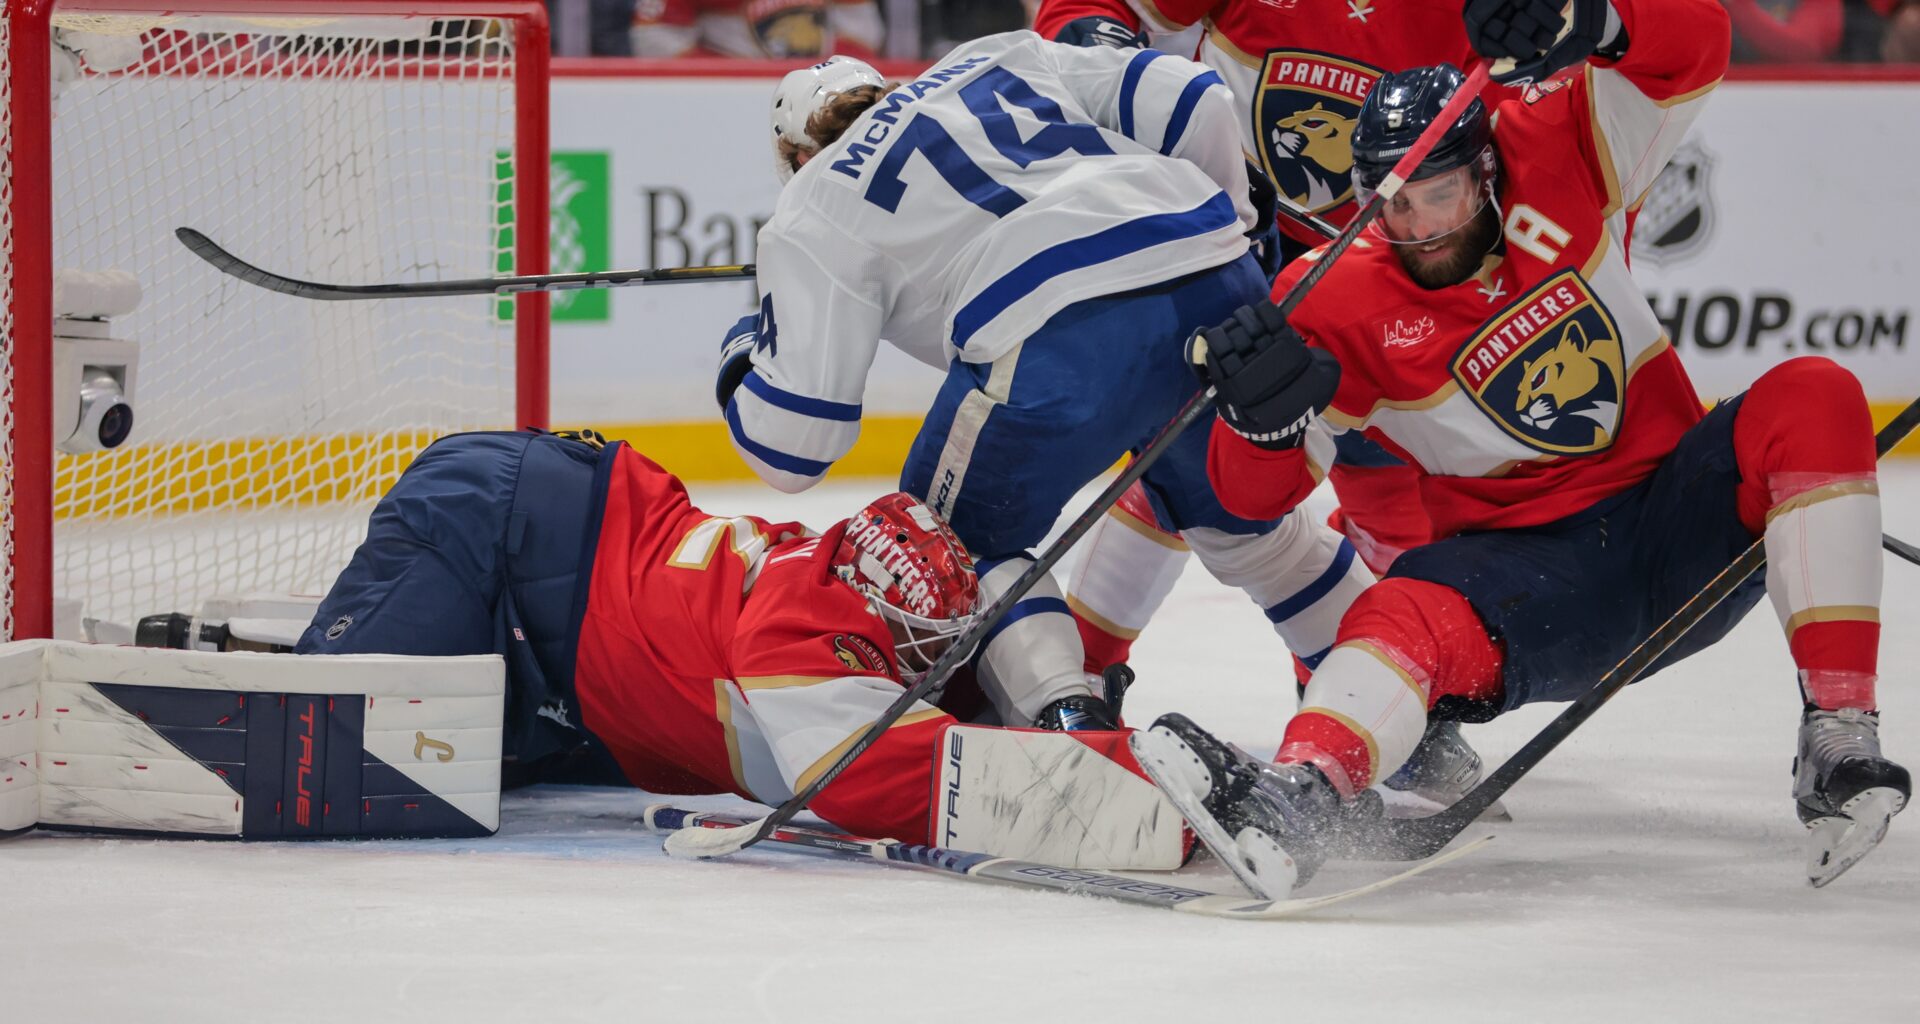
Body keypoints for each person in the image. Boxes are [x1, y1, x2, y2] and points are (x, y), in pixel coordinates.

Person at [1137, 0, 1910, 893]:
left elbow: (1698, 46)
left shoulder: (1558, 145)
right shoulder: (1329, 301)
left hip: (1679, 526)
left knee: (1814, 393)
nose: (1421, 226)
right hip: (1536, 592)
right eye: (1397, 205)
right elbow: (1251, 498)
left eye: (1443, 195)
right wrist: (1257, 423)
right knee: (1401, 609)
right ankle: (1303, 794)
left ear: (1489, 174)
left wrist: (1603, 18)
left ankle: (1840, 739)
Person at [718, 36, 1371, 735]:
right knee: (1248, 533)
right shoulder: (990, 55)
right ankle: (1392, 704)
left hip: (1060, 343)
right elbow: (1193, 96)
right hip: (1212, 274)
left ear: (793, 157)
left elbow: (792, 448)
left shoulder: (813, 202)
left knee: (936, 552)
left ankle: (1074, 728)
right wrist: (1235, 229)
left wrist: (745, 348)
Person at [1031, 0, 1518, 809]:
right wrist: (1097, 42)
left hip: (1411, 275)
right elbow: (1096, 11)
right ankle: (1079, 670)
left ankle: (1349, 699)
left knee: (1405, 530)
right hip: (1248, 256)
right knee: (1192, 466)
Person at [294, 429, 1189, 868]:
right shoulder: (797, 642)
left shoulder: (840, 568)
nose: (934, 664)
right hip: (493, 525)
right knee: (329, 730)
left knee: (472, 757)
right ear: (872, 614)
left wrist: (1066, 706)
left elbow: (998, 572)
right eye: (922, 646)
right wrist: (1117, 774)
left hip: (566, 634)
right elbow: (892, 779)